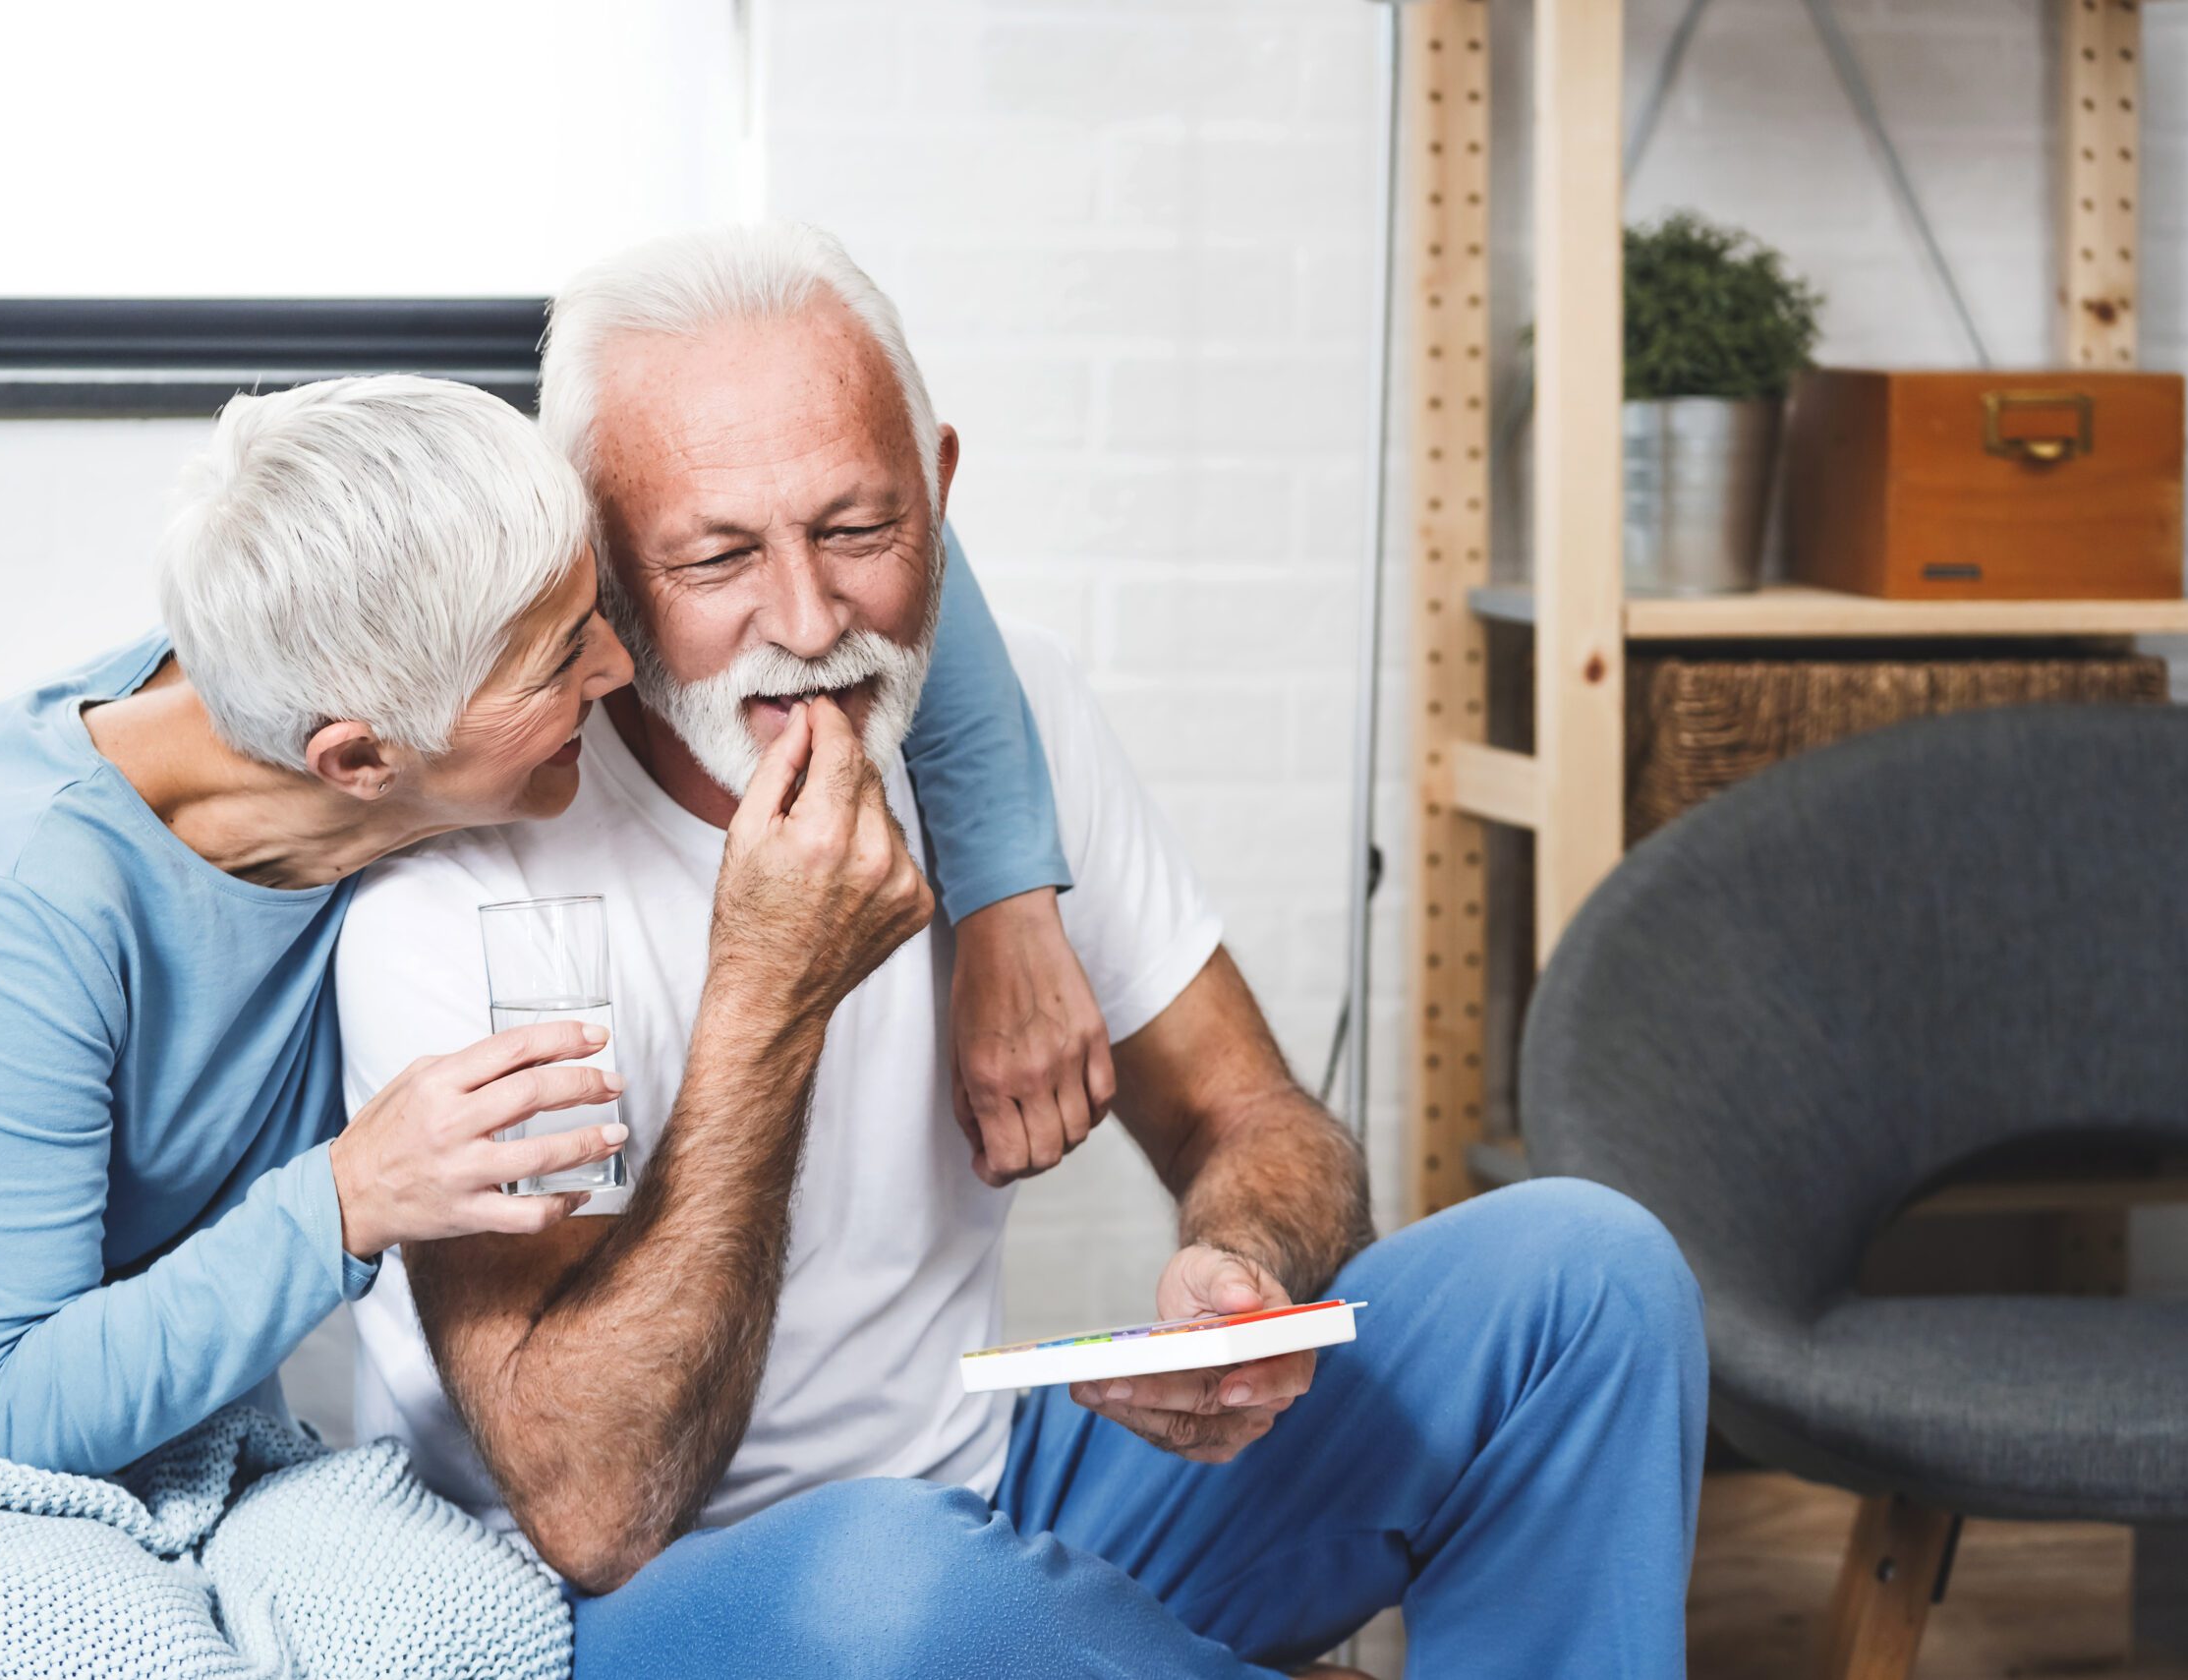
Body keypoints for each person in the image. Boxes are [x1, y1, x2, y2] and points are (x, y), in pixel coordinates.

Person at [337, 223, 1711, 1679]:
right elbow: (592, 1508)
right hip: (643, 1607)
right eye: (718, 556)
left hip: (985, 1495)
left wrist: (1240, 1272)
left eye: (860, 529)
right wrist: (771, 993)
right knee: (898, 1590)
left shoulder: (1011, 722)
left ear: (938, 486)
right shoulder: (458, 873)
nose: (808, 624)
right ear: (603, 561)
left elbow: (1257, 1119)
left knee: (1589, 1272)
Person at [0, 371, 1103, 1477]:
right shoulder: (10, 910)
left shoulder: (365, 597)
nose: (620, 663)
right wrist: (350, 1198)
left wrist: (1008, 907)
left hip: (191, 1418)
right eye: (560, 662)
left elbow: (898, 530)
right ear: (359, 758)